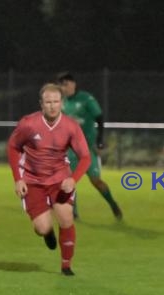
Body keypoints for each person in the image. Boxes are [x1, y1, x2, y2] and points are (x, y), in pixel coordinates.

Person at [7, 83, 92, 276]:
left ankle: (66, 265)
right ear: (41, 104)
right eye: (48, 102)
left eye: (56, 101)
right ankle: (47, 233)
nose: (52, 106)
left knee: (66, 218)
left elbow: (86, 157)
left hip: (59, 179)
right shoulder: (28, 124)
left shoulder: (71, 126)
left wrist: (73, 179)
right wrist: (17, 179)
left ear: (62, 103)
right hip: (32, 180)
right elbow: (13, 148)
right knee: (42, 227)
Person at [56, 72, 122, 220]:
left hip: (86, 148)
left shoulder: (86, 99)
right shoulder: (63, 102)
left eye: (65, 84)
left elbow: (100, 118)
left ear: (73, 84)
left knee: (96, 181)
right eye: (61, 85)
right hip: (70, 150)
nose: (63, 87)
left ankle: (113, 204)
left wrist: (99, 140)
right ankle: (74, 213)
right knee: (68, 180)